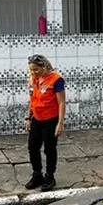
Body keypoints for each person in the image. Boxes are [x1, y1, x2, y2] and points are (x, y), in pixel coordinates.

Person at [24, 55, 66, 192]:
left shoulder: (56, 80)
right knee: (32, 146)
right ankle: (37, 174)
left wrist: (60, 123)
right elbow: (32, 99)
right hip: (37, 117)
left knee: (49, 148)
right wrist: (28, 118)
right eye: (31, 70)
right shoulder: (33, 79)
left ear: (44, 67)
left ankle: (50, 176)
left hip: (51, 119)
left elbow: (61, 103)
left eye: (36, 69)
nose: (33, 72)